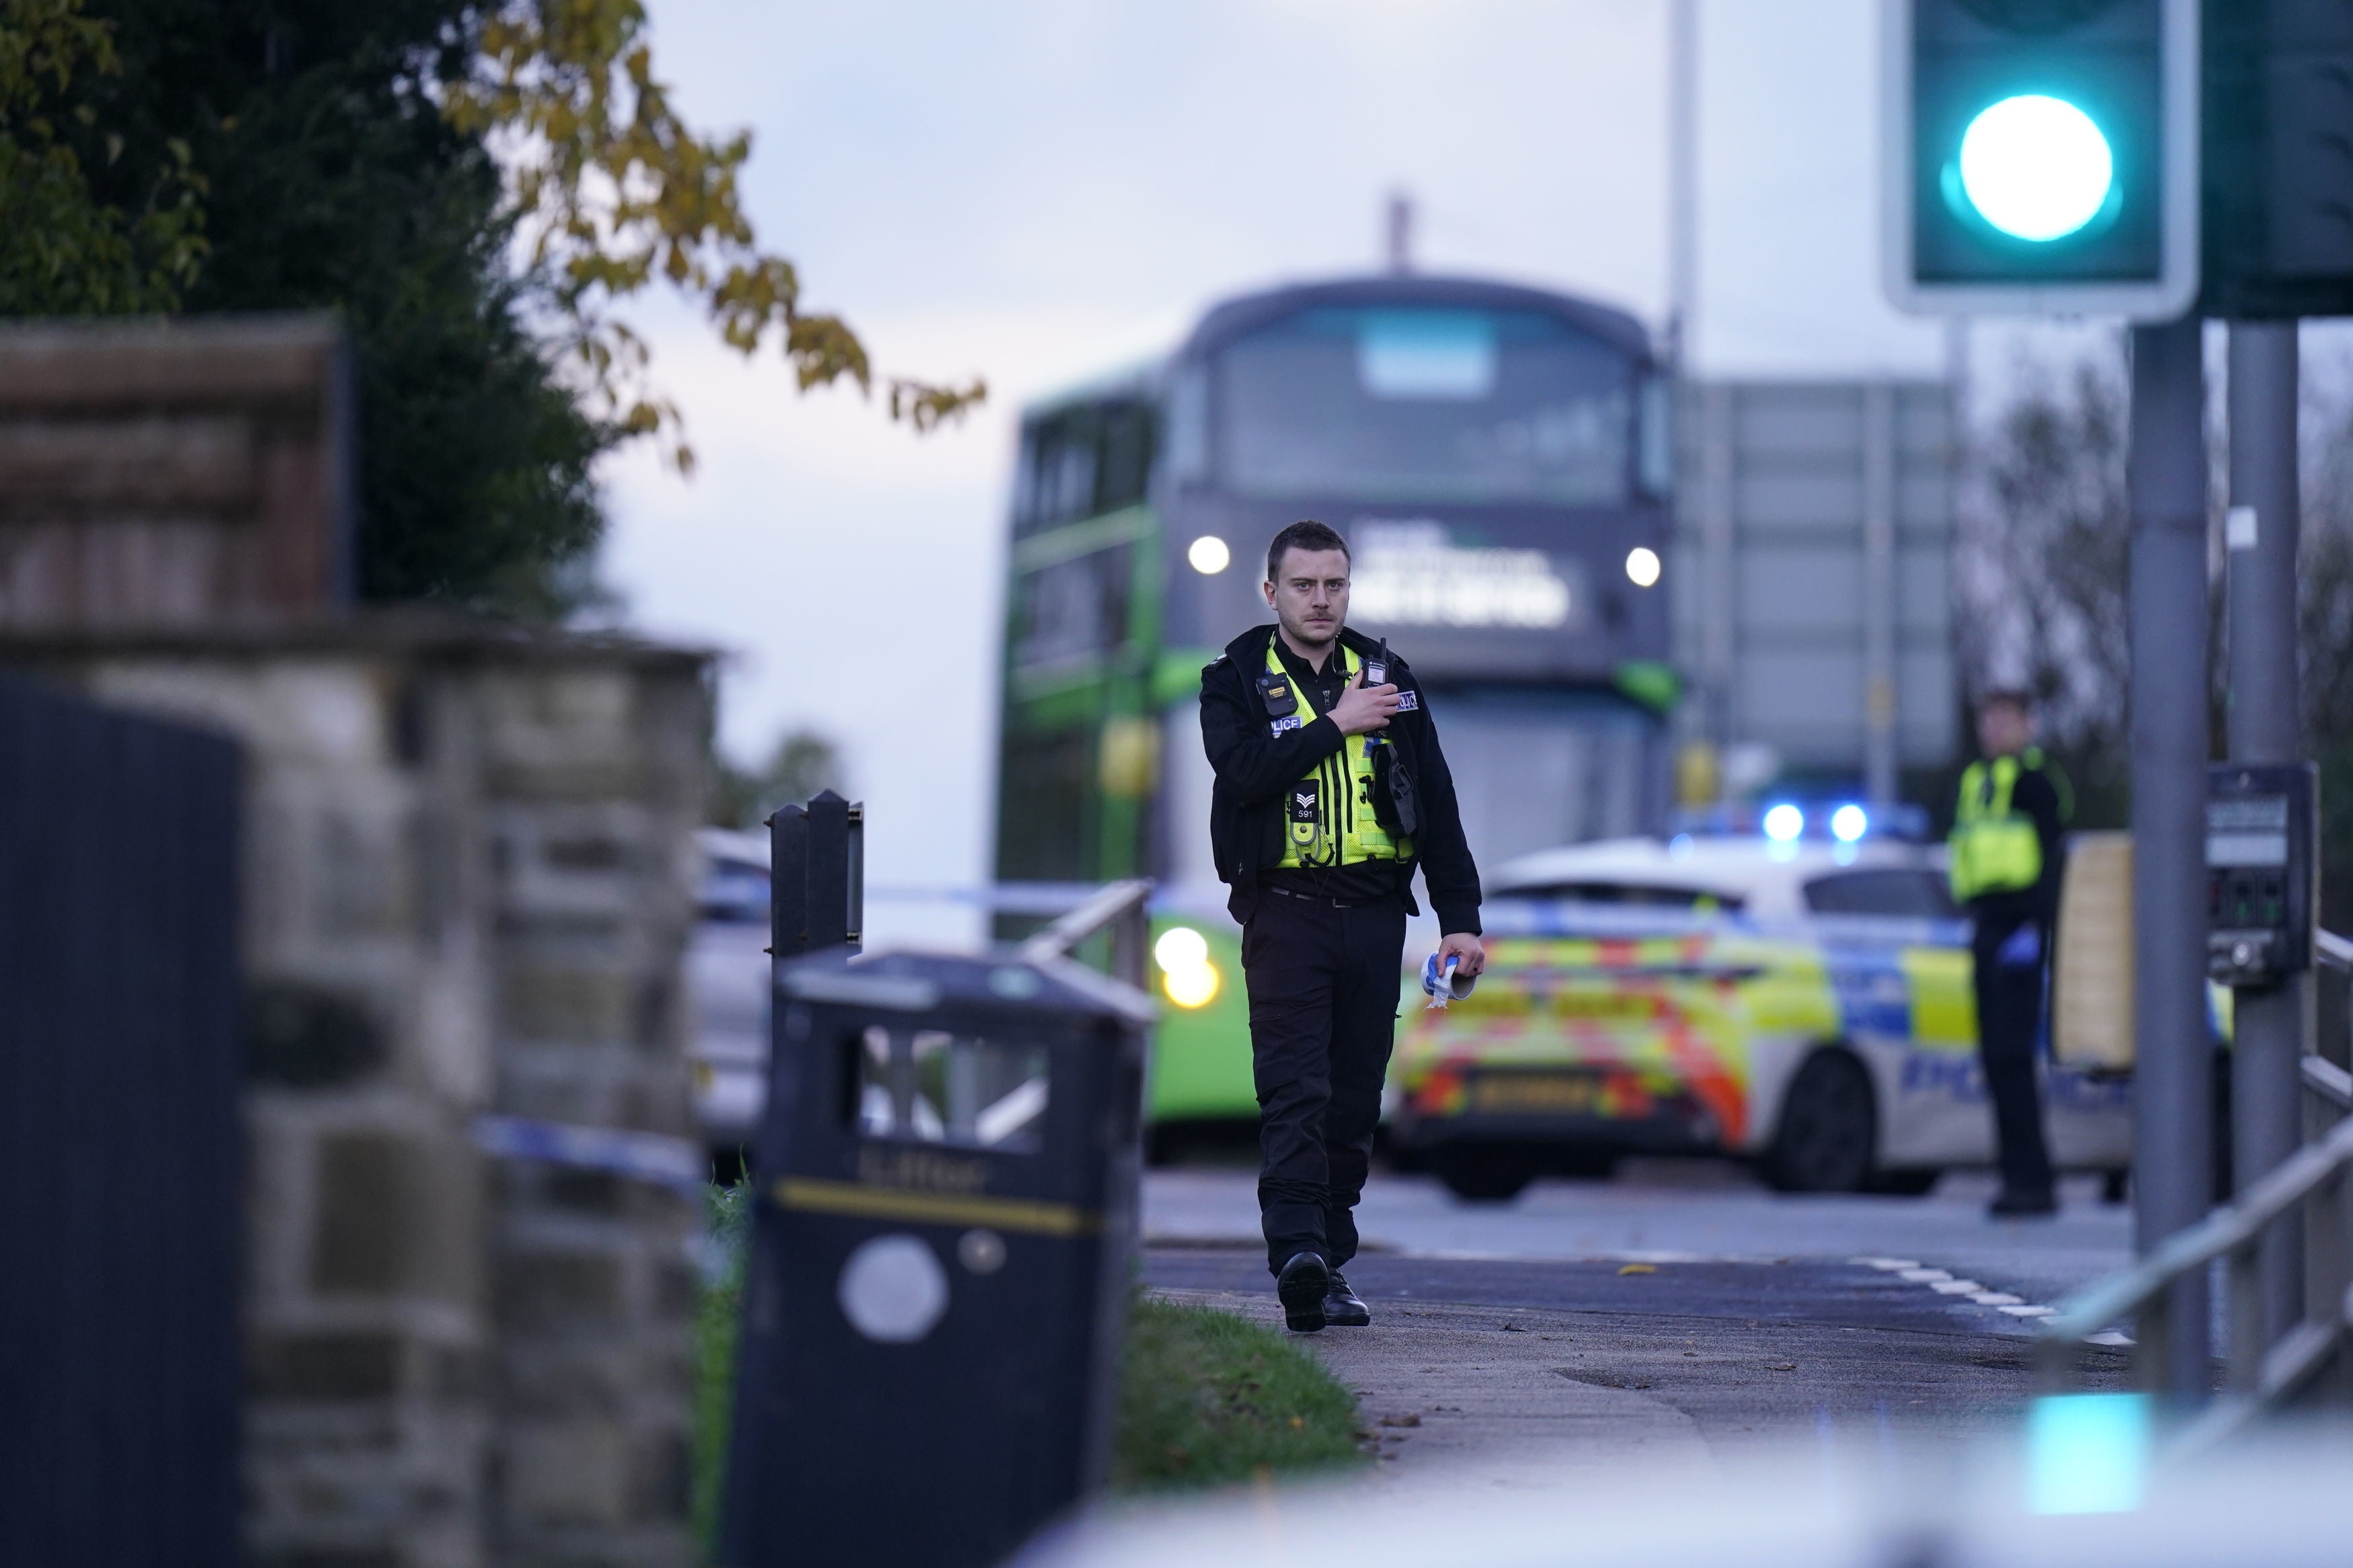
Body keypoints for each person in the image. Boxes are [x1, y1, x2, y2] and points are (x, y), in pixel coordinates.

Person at [1199, 520, 1484, 1331]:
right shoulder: (1233, 678)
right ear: (1271, 592)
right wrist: (1334, 724)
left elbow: (1436, 804)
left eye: (1333, 585)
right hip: (1283, 915)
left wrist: (1458, 919)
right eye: (1303, 585)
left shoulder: (1391, 678)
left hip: (1372, 918)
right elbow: (1244, 771)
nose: (1320, 600)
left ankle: (1329, 1261)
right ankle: (1296, 1252)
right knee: (1296, 1090)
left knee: (1353, 1101)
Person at [1948, 690, 2072, 1218]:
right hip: (1987, 927)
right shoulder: (1976, 783)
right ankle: (2015, 1177)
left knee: (2014, 1059)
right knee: (1995, 1061)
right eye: (1988, 718)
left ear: (2028, 724)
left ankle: (2033, 1181)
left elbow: (2053, 862)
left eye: (2005, 719)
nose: (1995, 729)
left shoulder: (2037, 783)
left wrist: (2036, 928)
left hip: (2020, 930)